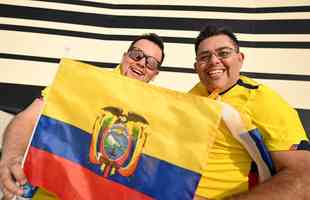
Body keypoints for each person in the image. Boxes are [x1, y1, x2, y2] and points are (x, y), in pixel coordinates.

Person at [0, 33, 165, 200]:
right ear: (124, 56)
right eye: (137, 54)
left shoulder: (156, 118)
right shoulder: (82, 82)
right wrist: (11, 157)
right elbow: (29, 118)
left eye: (151, 63)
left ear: (155, 73)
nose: (142, 63)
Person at [190, 25, 310, 199]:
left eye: (223, 53)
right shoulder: (193, 94)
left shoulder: (263, 100)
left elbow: (304, 177)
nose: (213, 61)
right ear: (196, 66)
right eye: (204, 57)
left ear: (240, 58)